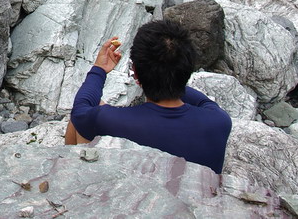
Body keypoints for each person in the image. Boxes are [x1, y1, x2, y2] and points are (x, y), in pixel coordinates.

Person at [65, 20, 232, 174]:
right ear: (188, 69)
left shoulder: (110, 120)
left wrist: (99, 69)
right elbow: (202, 101)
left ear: (136, 72)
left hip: (137, 199)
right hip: (198, 201)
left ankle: (66, 174)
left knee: (83, 117)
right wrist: (169, 74)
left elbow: (81, 108)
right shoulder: (219, 121)